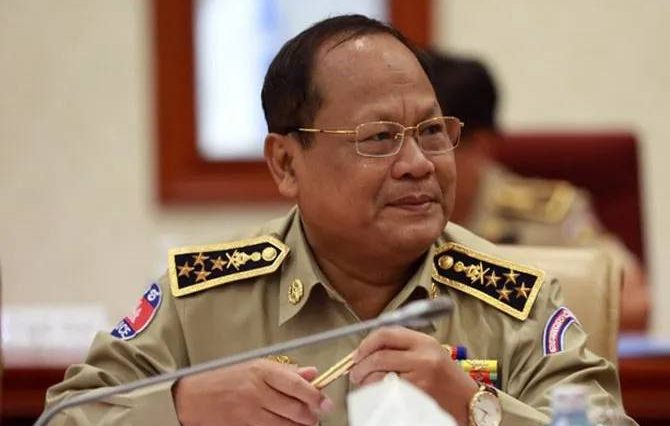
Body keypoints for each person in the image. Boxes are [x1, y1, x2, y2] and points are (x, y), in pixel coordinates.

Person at [44, 15, 635, 426]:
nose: (418, 164)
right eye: (378, 138)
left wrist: (475, 407)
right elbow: (65, 415)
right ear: (286, 163)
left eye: (432, 131)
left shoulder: (513, 301)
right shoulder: (205, 297)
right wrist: (180, 405)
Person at [428, 52, 650, 332]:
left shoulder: (548, 216)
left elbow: (633, 303)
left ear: (481, 145)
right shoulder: (393, 211)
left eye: (433, 137)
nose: (415, 159)